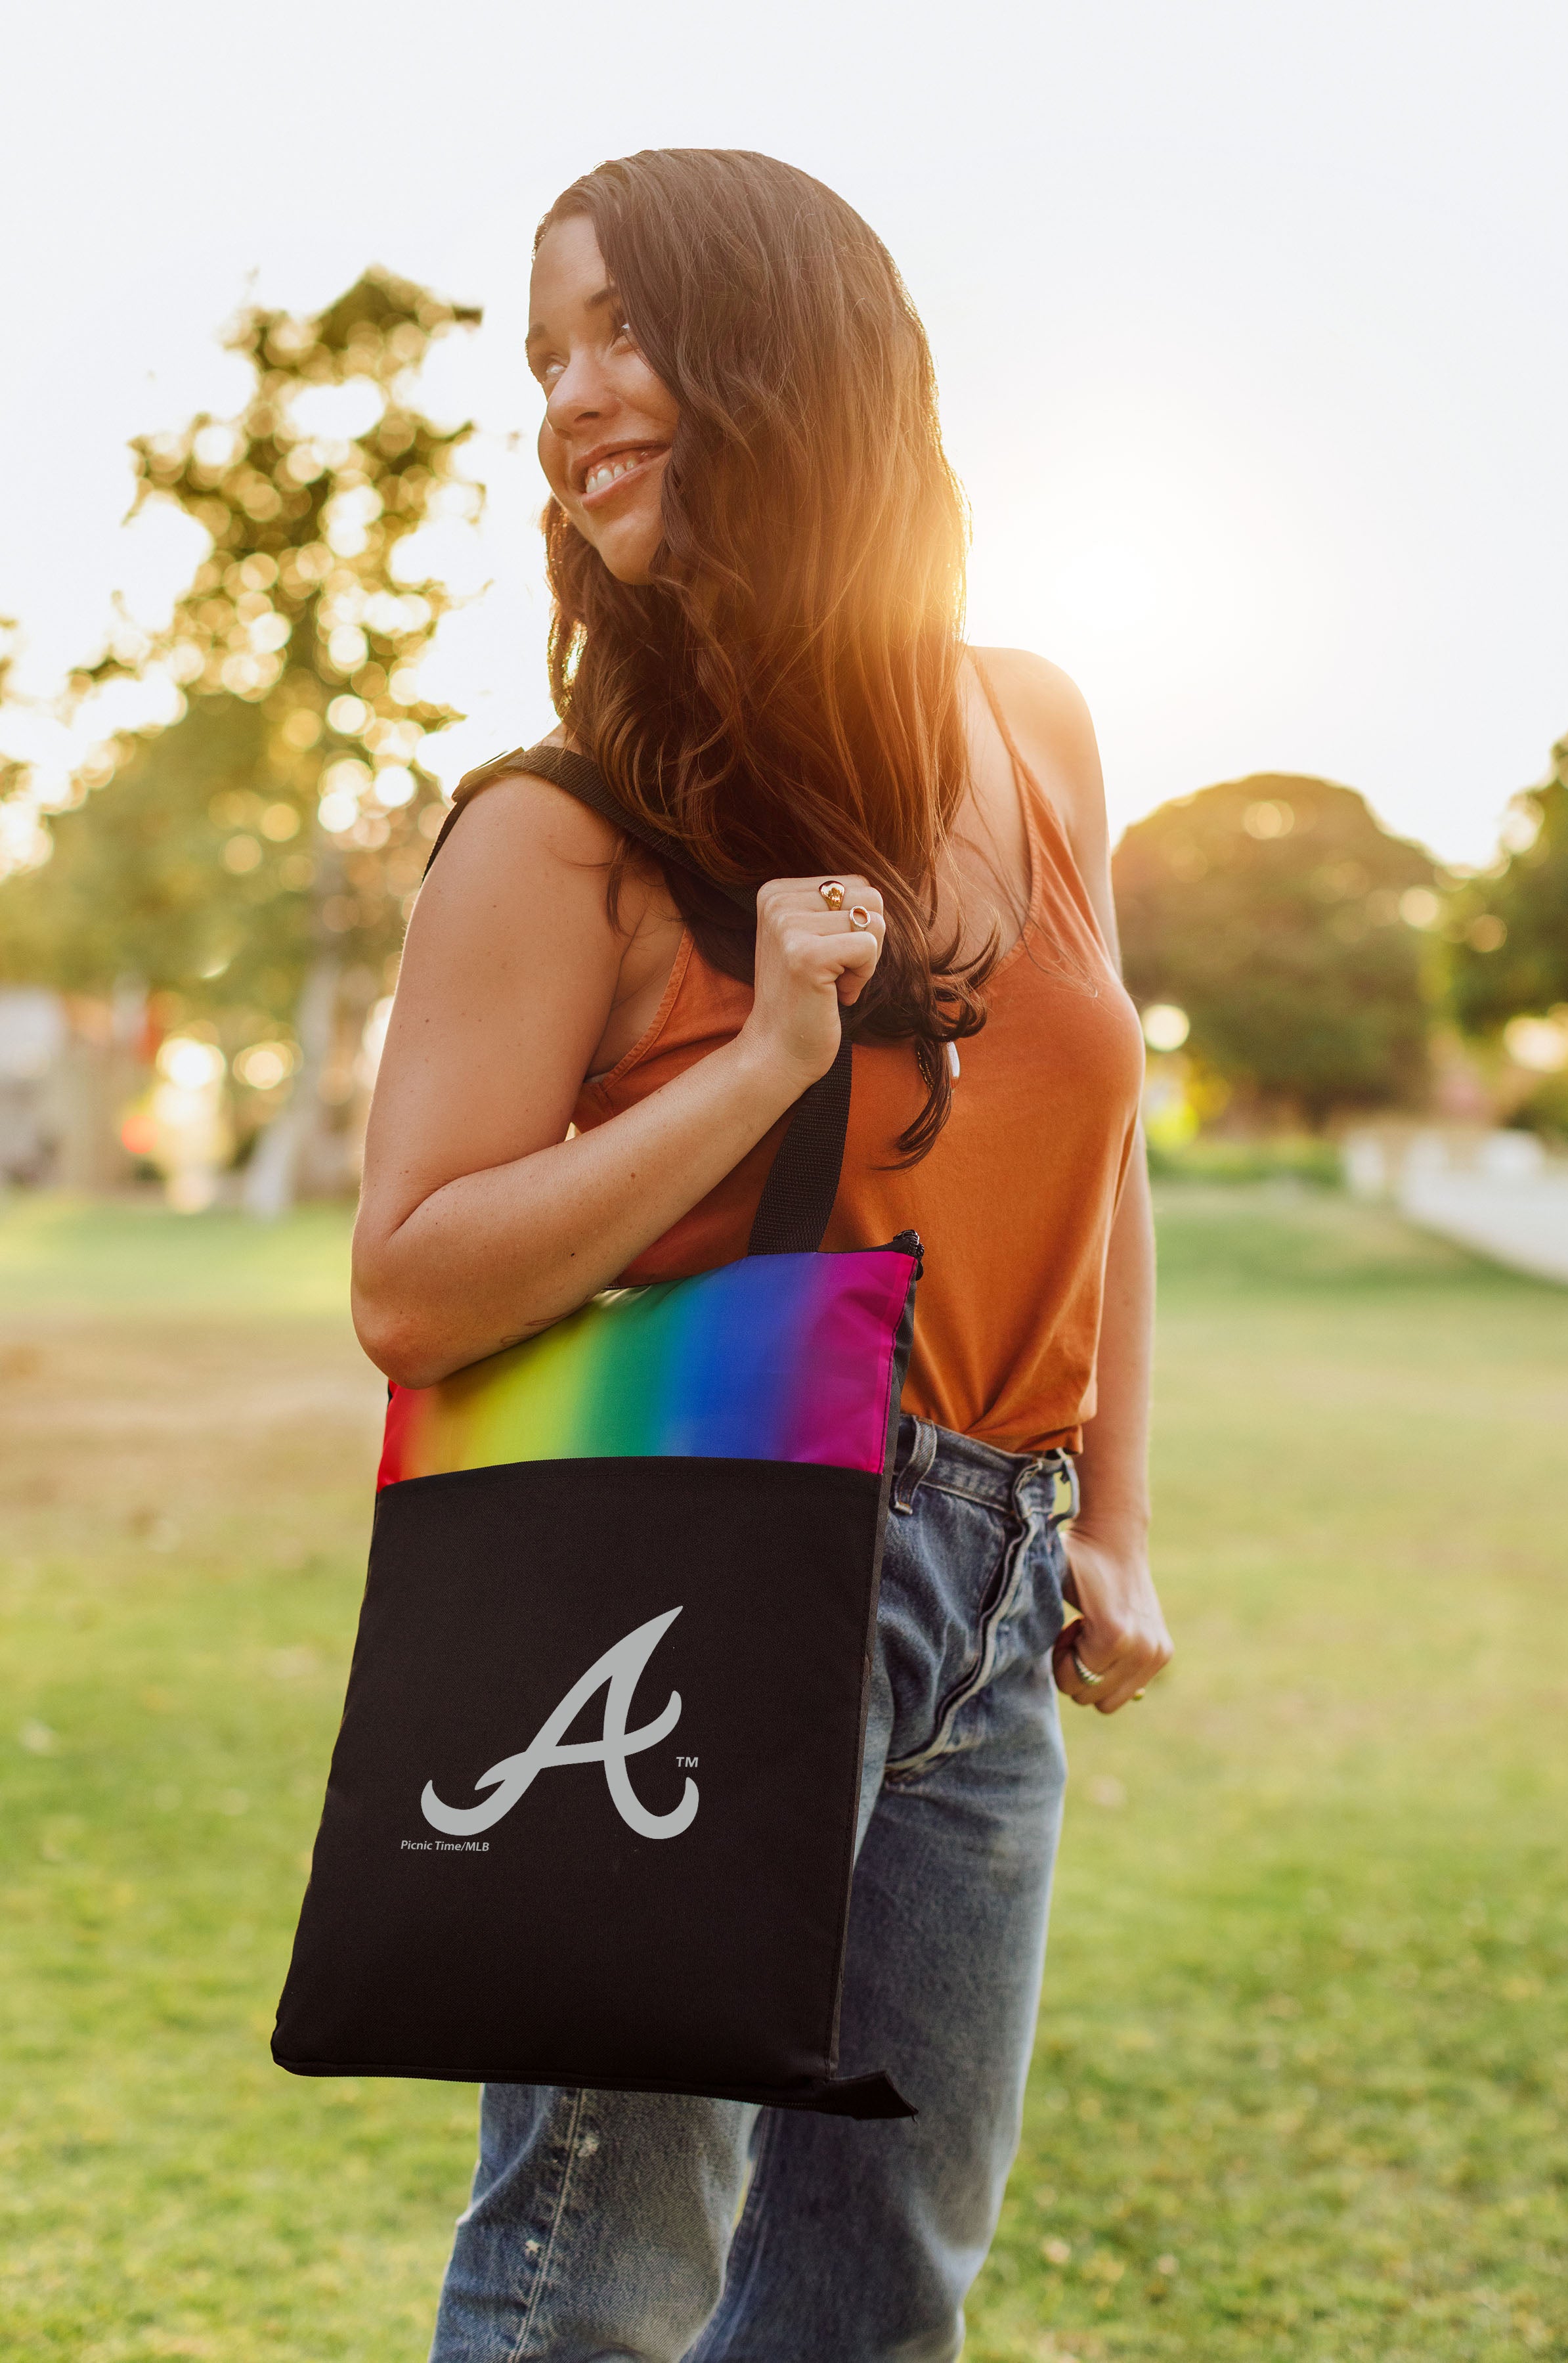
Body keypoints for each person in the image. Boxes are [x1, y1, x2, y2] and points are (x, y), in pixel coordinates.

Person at [353, 146, 1173, 2363]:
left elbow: (1098, 1158)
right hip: (696, 1562)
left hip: (987, 1594)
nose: (570, 395)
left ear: (789, 359)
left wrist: (1108, 1520)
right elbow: (409, 1284)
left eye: (619, 332)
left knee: (876, 2289)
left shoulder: (1038, 727)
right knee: (597, 2274)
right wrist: (759, 1061)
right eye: (544, 355)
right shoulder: (563, 828)